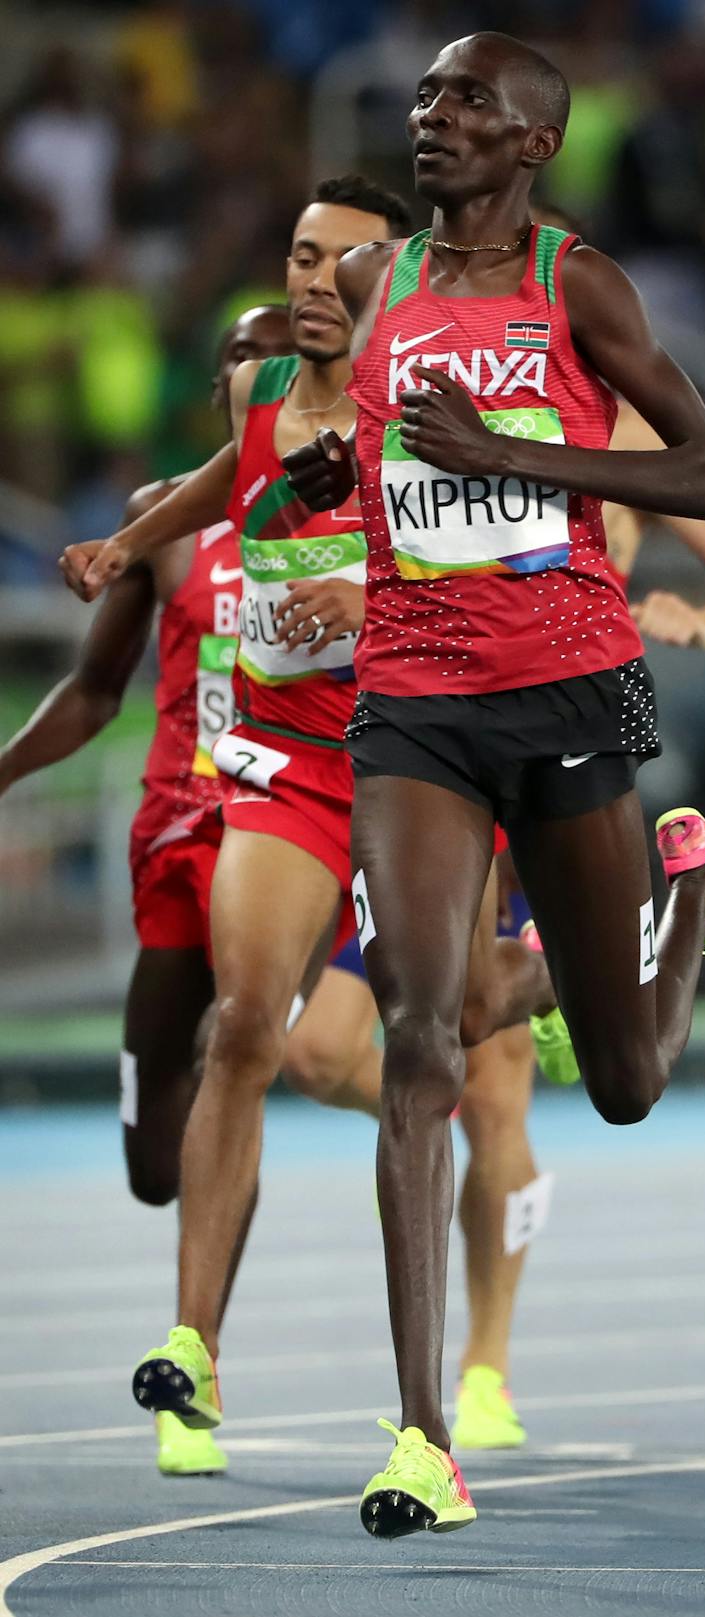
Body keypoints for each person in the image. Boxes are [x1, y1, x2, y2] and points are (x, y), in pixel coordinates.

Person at [272, 32, 705, 1536]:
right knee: (422, 1034)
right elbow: (366, 457)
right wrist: (326, 482)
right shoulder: (375, 287)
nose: (435, 117)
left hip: (569, 682)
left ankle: (690, 889)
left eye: (469, 99)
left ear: (535, 143)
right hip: (412, 696)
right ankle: (424, 1435)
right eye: (424, 97)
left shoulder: (576, 285)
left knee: (624, 1083)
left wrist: (515, 458)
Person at [65, 175, 559, 1474]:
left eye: (344, 264)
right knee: (247, 1030)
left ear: (391, 284)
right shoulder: (262, 400)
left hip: (423, 769)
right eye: (298, 254)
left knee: (465, 1056)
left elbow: (524, 572)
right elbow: (234, 478)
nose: (311, 280)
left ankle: (601, 953)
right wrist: (132, 548)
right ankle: (194, 1346)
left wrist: (387, 603)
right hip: (287, 765)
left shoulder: (439, 411)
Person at [4, 306, 290, 1477]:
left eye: (267, 358)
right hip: (171, 837)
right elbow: (92, 691)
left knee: (242, 1051)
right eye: (231, 355)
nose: (247, 373)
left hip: (276, 828)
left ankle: (197, 1363)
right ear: (214, 382)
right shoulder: (165, 526)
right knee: (150, 1162)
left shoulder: (331, 501)